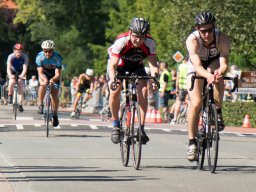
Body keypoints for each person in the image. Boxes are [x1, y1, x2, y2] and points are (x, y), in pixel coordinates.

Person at [185, 12, 230, 161]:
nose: (207, 34)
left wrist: (217, 73)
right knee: (196, 102)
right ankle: (192, 143)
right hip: (196, 67)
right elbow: (197, 66)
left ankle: (217, 111)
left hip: (213, 63)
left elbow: (224, 64)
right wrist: (207, 76)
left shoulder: (222, 38)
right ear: (198, 29)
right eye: (203, 31)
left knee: (218, 75)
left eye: (210, 30)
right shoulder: (192, 40)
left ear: (214, 28)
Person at [108, 17, 159, 144]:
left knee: (144, 90)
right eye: (136, 36)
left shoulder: (150, 42)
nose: (138, 40)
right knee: (115, 91)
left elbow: (153, 64)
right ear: (130, 32)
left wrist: (154, 79)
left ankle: (141, 128)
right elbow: (113, 64)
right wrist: (113, 80)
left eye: (142, 37)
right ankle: (115, 125)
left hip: (137, 66)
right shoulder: (121, 41)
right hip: (119, 66)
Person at [36, 40, 62, 128]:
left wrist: (53, 80)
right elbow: (40, 72)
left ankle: (55, 115)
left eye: (50, 51)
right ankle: (40, 104)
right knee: (43, 85)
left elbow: (58, 74)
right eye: (45, 51)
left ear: (53, 50)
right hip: (44, 74)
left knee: (54, 94)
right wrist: (45, 80)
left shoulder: (57, 57)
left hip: (54, 75)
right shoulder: (39, 57)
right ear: (43, 50)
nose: (47, 53)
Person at [6, 43, 29, 112]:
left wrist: (22, 76)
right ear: (14, 51)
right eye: (17, 52)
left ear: (22, 52)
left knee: (20, 84)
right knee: (12, 81)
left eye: (20, 52)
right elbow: (8, 67)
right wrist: (10, 75)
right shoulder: (11, 56)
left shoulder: (25, 57)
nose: (18, 53)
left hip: (20, 71)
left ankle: (20, 104)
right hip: (12, 71)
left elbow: (25, 68)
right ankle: (10, 96)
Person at [171, 57, 189, 124]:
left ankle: (175, 118)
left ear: (184, 60)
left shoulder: (180, 66)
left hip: (181, 87)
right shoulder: (190, 66)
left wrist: (176, 88)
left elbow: (177, 78)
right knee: (189, 104)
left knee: (178, 102)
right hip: (189, 87)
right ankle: (187, 120)